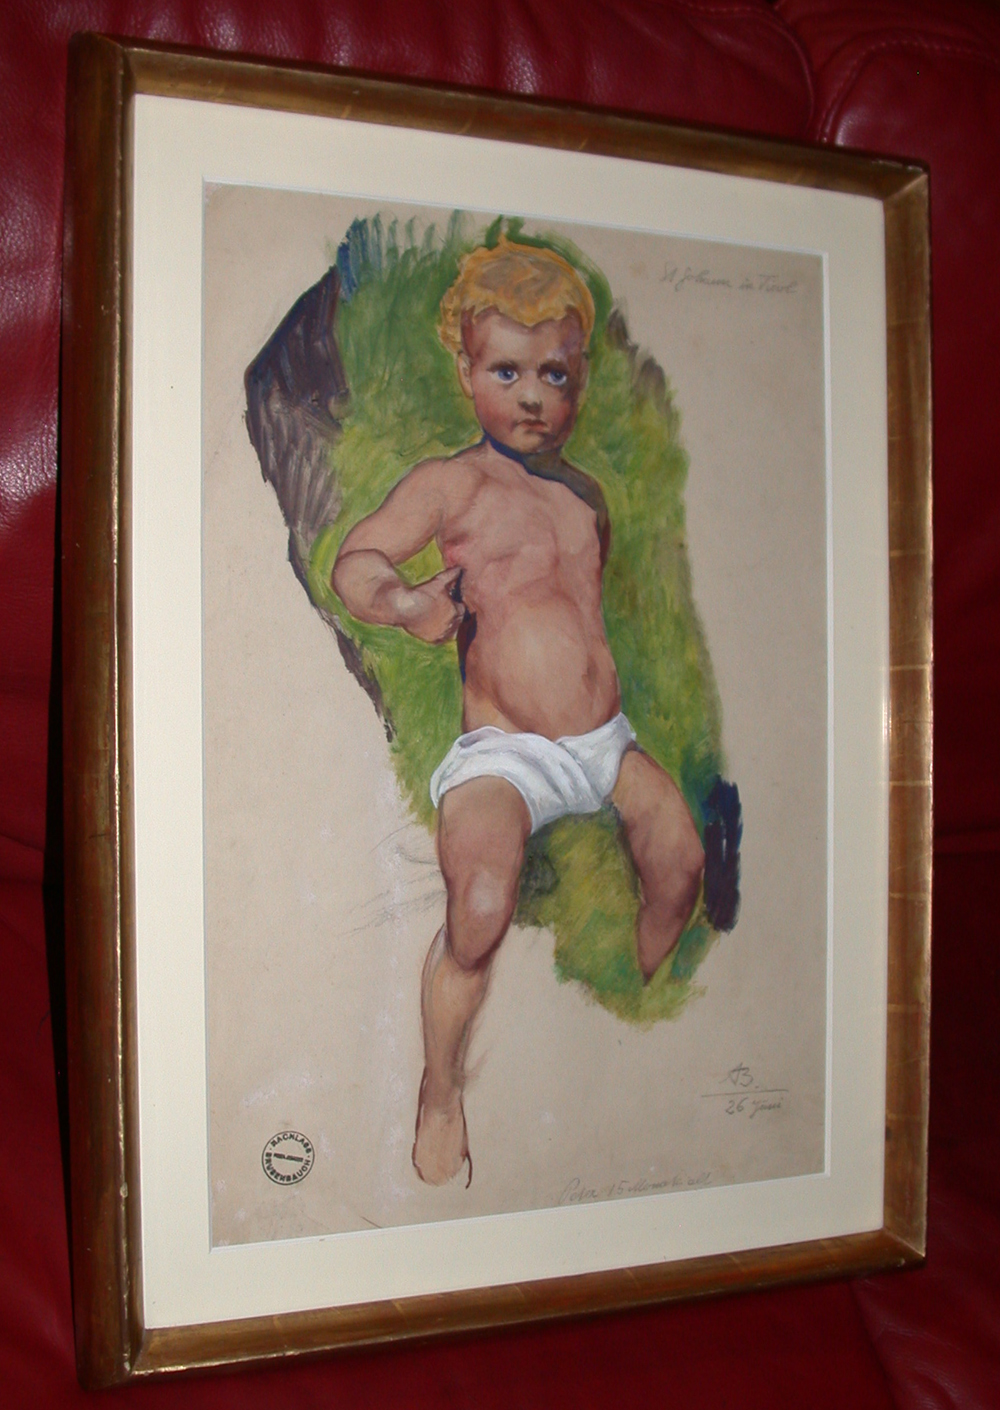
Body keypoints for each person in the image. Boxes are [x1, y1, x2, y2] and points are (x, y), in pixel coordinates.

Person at [332, 237, 706, 1186]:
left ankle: (637, 1015)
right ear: (466, 372)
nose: (534, 396)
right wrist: (406, 604)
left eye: (556, 374)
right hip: (504, 753)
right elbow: (358, 562)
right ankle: (440, 1087)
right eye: (507, 371)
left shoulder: (584, 498)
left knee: (679, 862)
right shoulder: (451, 483)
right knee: (481, 907)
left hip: (603, 742)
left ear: (580, 381)